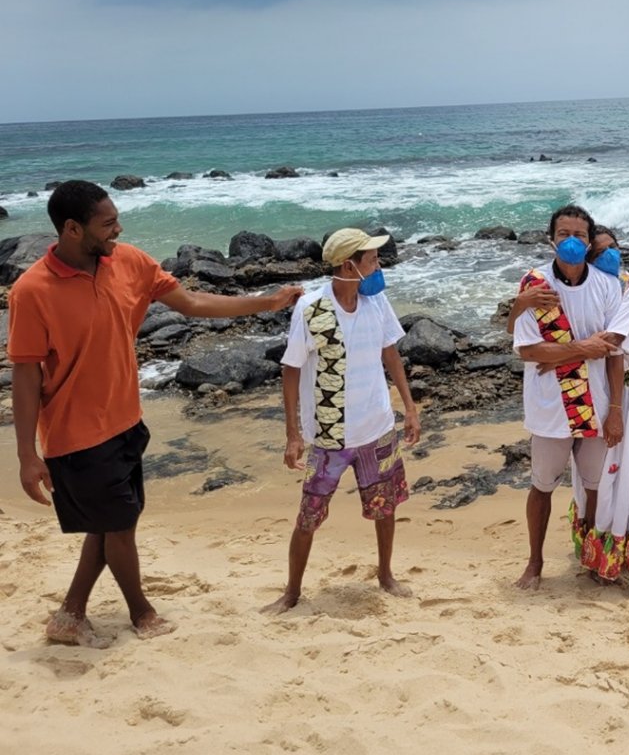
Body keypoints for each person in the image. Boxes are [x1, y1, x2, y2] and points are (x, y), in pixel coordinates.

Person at [8, 180, 302, 645]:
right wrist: (26, 454)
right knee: (119, 527)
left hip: (127, 420)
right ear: (71, 229)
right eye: (106, 224)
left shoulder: (128, 261)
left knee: (112, 524)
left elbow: (190, 303)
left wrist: (265, 302)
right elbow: (25, 376)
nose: (118, 229)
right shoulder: (32, 291)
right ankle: (142, 613)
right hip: (76, 434)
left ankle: (70, 614)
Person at [509, 228, 629, 613]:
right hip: (598, 392)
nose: (606, 256)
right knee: (601, 487)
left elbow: (610, 343)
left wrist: (553, 354)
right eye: (599, 251)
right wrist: (521, 309)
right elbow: (529, 343)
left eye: (610, 249)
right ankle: (601, 561)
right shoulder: (589, 286)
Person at [262, 228, 421, 613]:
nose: (379, 264)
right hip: (330, 433)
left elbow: (391, 354)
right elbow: (291, 368)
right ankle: (292, 592)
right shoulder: (311, 309)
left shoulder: (376, 301)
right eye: (373, 259)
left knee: (386, 507)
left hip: (378, 426)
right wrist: (293, 435)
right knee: (310, 514)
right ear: (350, 265)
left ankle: (385, 574)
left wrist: (409, 407)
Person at [511, 205, 624, 590]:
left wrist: (616, 411)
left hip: (595, 402)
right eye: (564, 234)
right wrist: (583, 348)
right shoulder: (536, 286)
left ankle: (592, 560)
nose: (571, 241)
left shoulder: (607, 286)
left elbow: (613, 349)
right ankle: (534, 562)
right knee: (542, 485)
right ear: (551, 238)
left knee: (595, 488)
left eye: (579, 235)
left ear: (589, 241)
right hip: (550, 405)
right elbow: (527, 351)